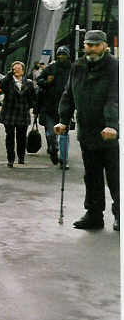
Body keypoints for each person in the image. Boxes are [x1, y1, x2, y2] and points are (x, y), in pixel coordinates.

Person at [55, 29, 119, 231]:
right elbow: (69, 94)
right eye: (88, 45)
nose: (91, 49)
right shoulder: (78, 66)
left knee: (116, 176)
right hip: (87, 131)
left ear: (105, 46)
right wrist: (64, 120)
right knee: (91, 176)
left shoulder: (114, 67)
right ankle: (94, 215)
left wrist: (111, 124)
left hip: (110, 133)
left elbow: (114, 98)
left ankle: (120, 215)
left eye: (96, 45)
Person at [37, 46, 72, 166]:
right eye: (59, 54)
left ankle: (63, 160)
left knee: (64, 135)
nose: (61, 57)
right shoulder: (51, 68)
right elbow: (39, 80)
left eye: (64, 54)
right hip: (49, 107)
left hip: (65, 108)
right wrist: (47, 82)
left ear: (68, 56)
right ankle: (53, 148)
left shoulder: (72, 69)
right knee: (51, 134)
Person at [0, 60, 36, 168]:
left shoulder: (28, 83)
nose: (17, 71)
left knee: (21, 137)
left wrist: (31, 107)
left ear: (23, 71)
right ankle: (10, 158)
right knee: (10, 136)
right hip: (9, 113)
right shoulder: (8, 81)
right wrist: (10, 74)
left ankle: (21, 157)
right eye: (15, 69)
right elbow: (1, 85)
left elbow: (33, 98)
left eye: (19, 69)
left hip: (22, 113)